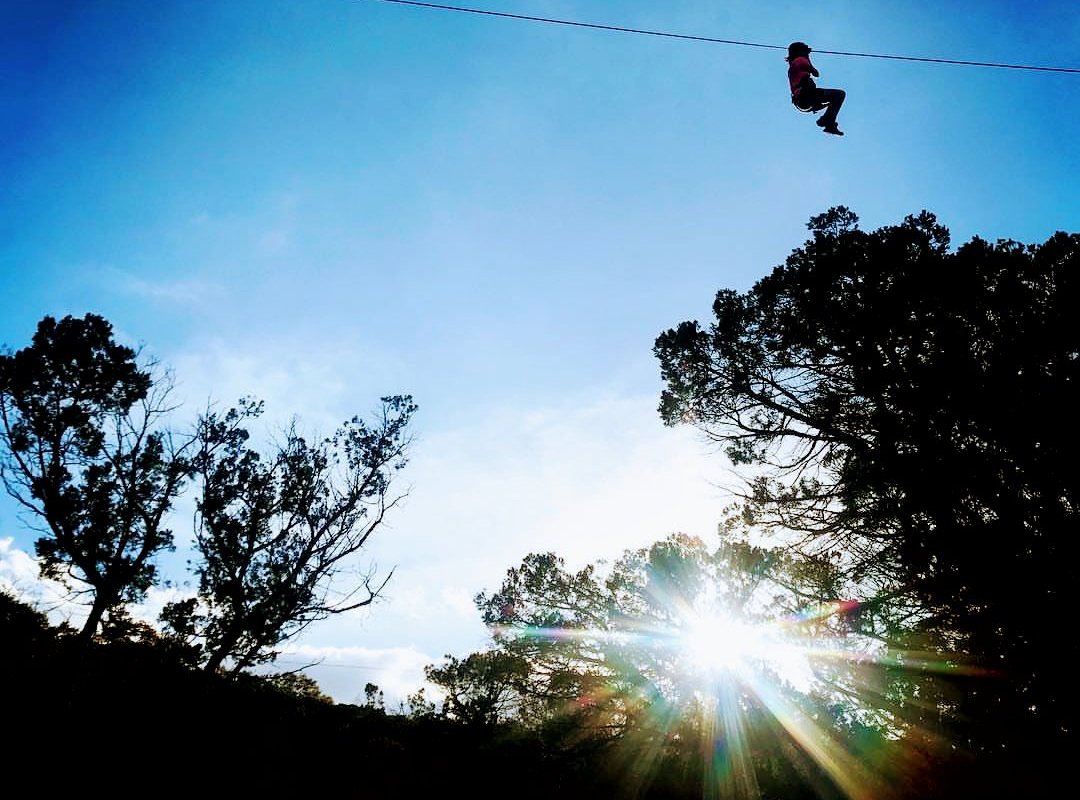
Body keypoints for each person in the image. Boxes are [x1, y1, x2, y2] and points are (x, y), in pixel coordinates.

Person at [786, 41, 846, 136]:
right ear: (800, 51)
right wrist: (807, 57)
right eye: (805, 50)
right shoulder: (800, 60)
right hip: (806, 95)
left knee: (835, 97)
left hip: (802, 100)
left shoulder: (793, 64)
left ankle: (827, 121)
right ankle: (827, 121)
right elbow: (815, 73)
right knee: (839, 94)